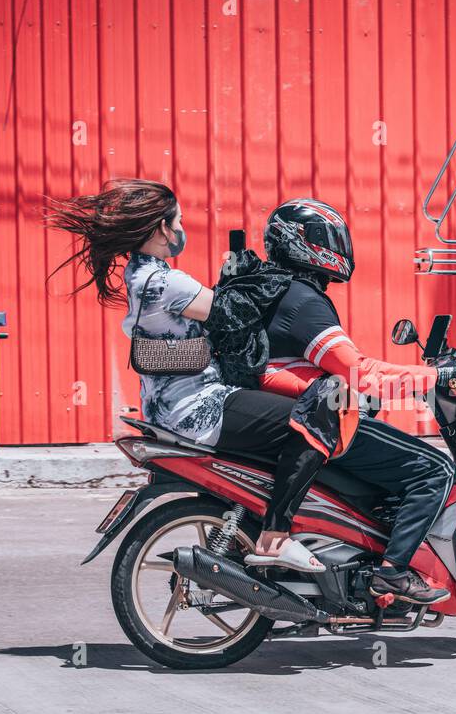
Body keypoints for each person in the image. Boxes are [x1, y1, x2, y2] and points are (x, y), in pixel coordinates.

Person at [45, 179, 328, 573]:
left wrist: (232, 282)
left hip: (171, 406)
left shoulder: (140, 275)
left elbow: (213, 313)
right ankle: (276, 537)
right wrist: (264, 279)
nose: (181, 230)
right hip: (199, 407)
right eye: (177, 221)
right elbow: (234, 313)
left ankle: (250, 528)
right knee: (316, 413)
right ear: (162, 228)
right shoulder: (166, 282)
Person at [220, 198, 456, 605]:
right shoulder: (302, 301)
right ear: (301, 243)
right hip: (313, 418)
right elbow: (360, 372)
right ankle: (393, 573)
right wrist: (436, 376)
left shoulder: (271, 287)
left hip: (287, 409)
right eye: (325, 239)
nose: (337, 249)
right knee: (435, 468)